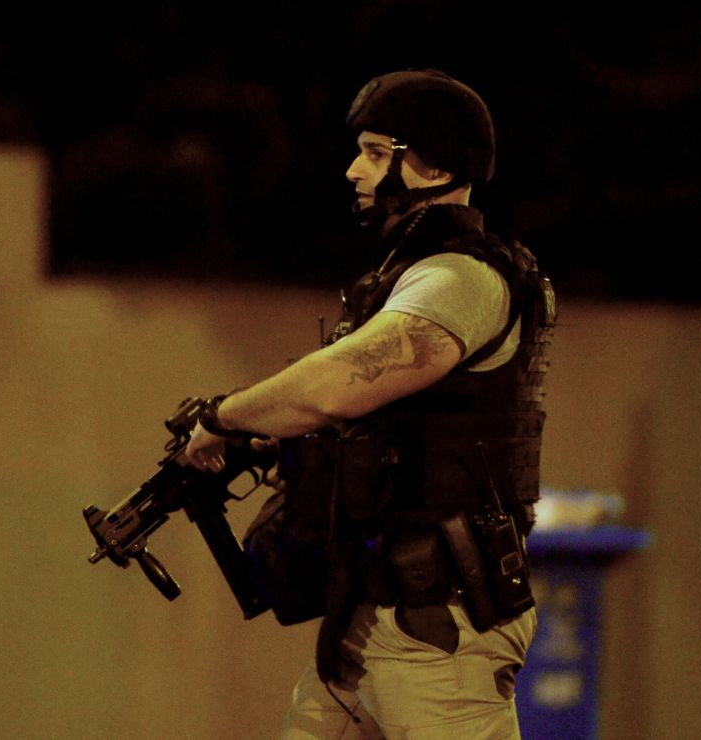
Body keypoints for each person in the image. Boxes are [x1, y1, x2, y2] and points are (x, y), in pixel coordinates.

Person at [185, 69, 556, 739]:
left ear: (435, 164)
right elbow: (380, 426)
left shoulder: (459, 279)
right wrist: (287, 449)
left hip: (438, 633)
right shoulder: (409, 276)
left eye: (378, 153)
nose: (356, 169)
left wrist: (225, 416)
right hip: (366, 620)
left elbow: (341, 381)